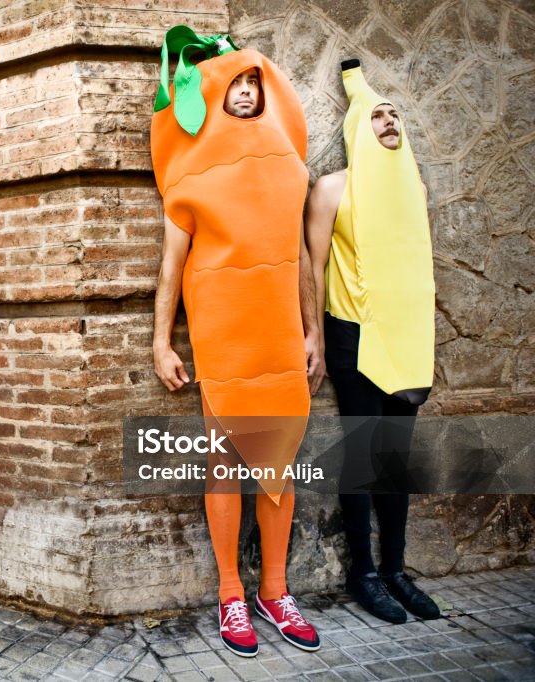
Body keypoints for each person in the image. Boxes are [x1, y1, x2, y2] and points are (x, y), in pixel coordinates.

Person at [150, 28, 321, 657]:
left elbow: (302, 256)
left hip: (278, 331)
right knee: (224, 464)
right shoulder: (188, 177)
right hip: (222, 334)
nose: (246, 93)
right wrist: (161, 344)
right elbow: (170, 268)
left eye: (255, 83)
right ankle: (230, 594)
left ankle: (275, 592)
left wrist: (314, 332)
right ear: (216, 91)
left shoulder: (289, 168)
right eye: (235, 84)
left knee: (279, 463)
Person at [305, 59, 440, 624]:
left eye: (394, 115)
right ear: (357, 127)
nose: (388, 122)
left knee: (394, 461)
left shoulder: (412, 186)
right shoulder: (334, 188)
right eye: (377, 115)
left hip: (407, 340)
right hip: (354, 337)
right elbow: (312, 268)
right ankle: (363, 573)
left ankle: (395, 571)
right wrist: (312, 334)